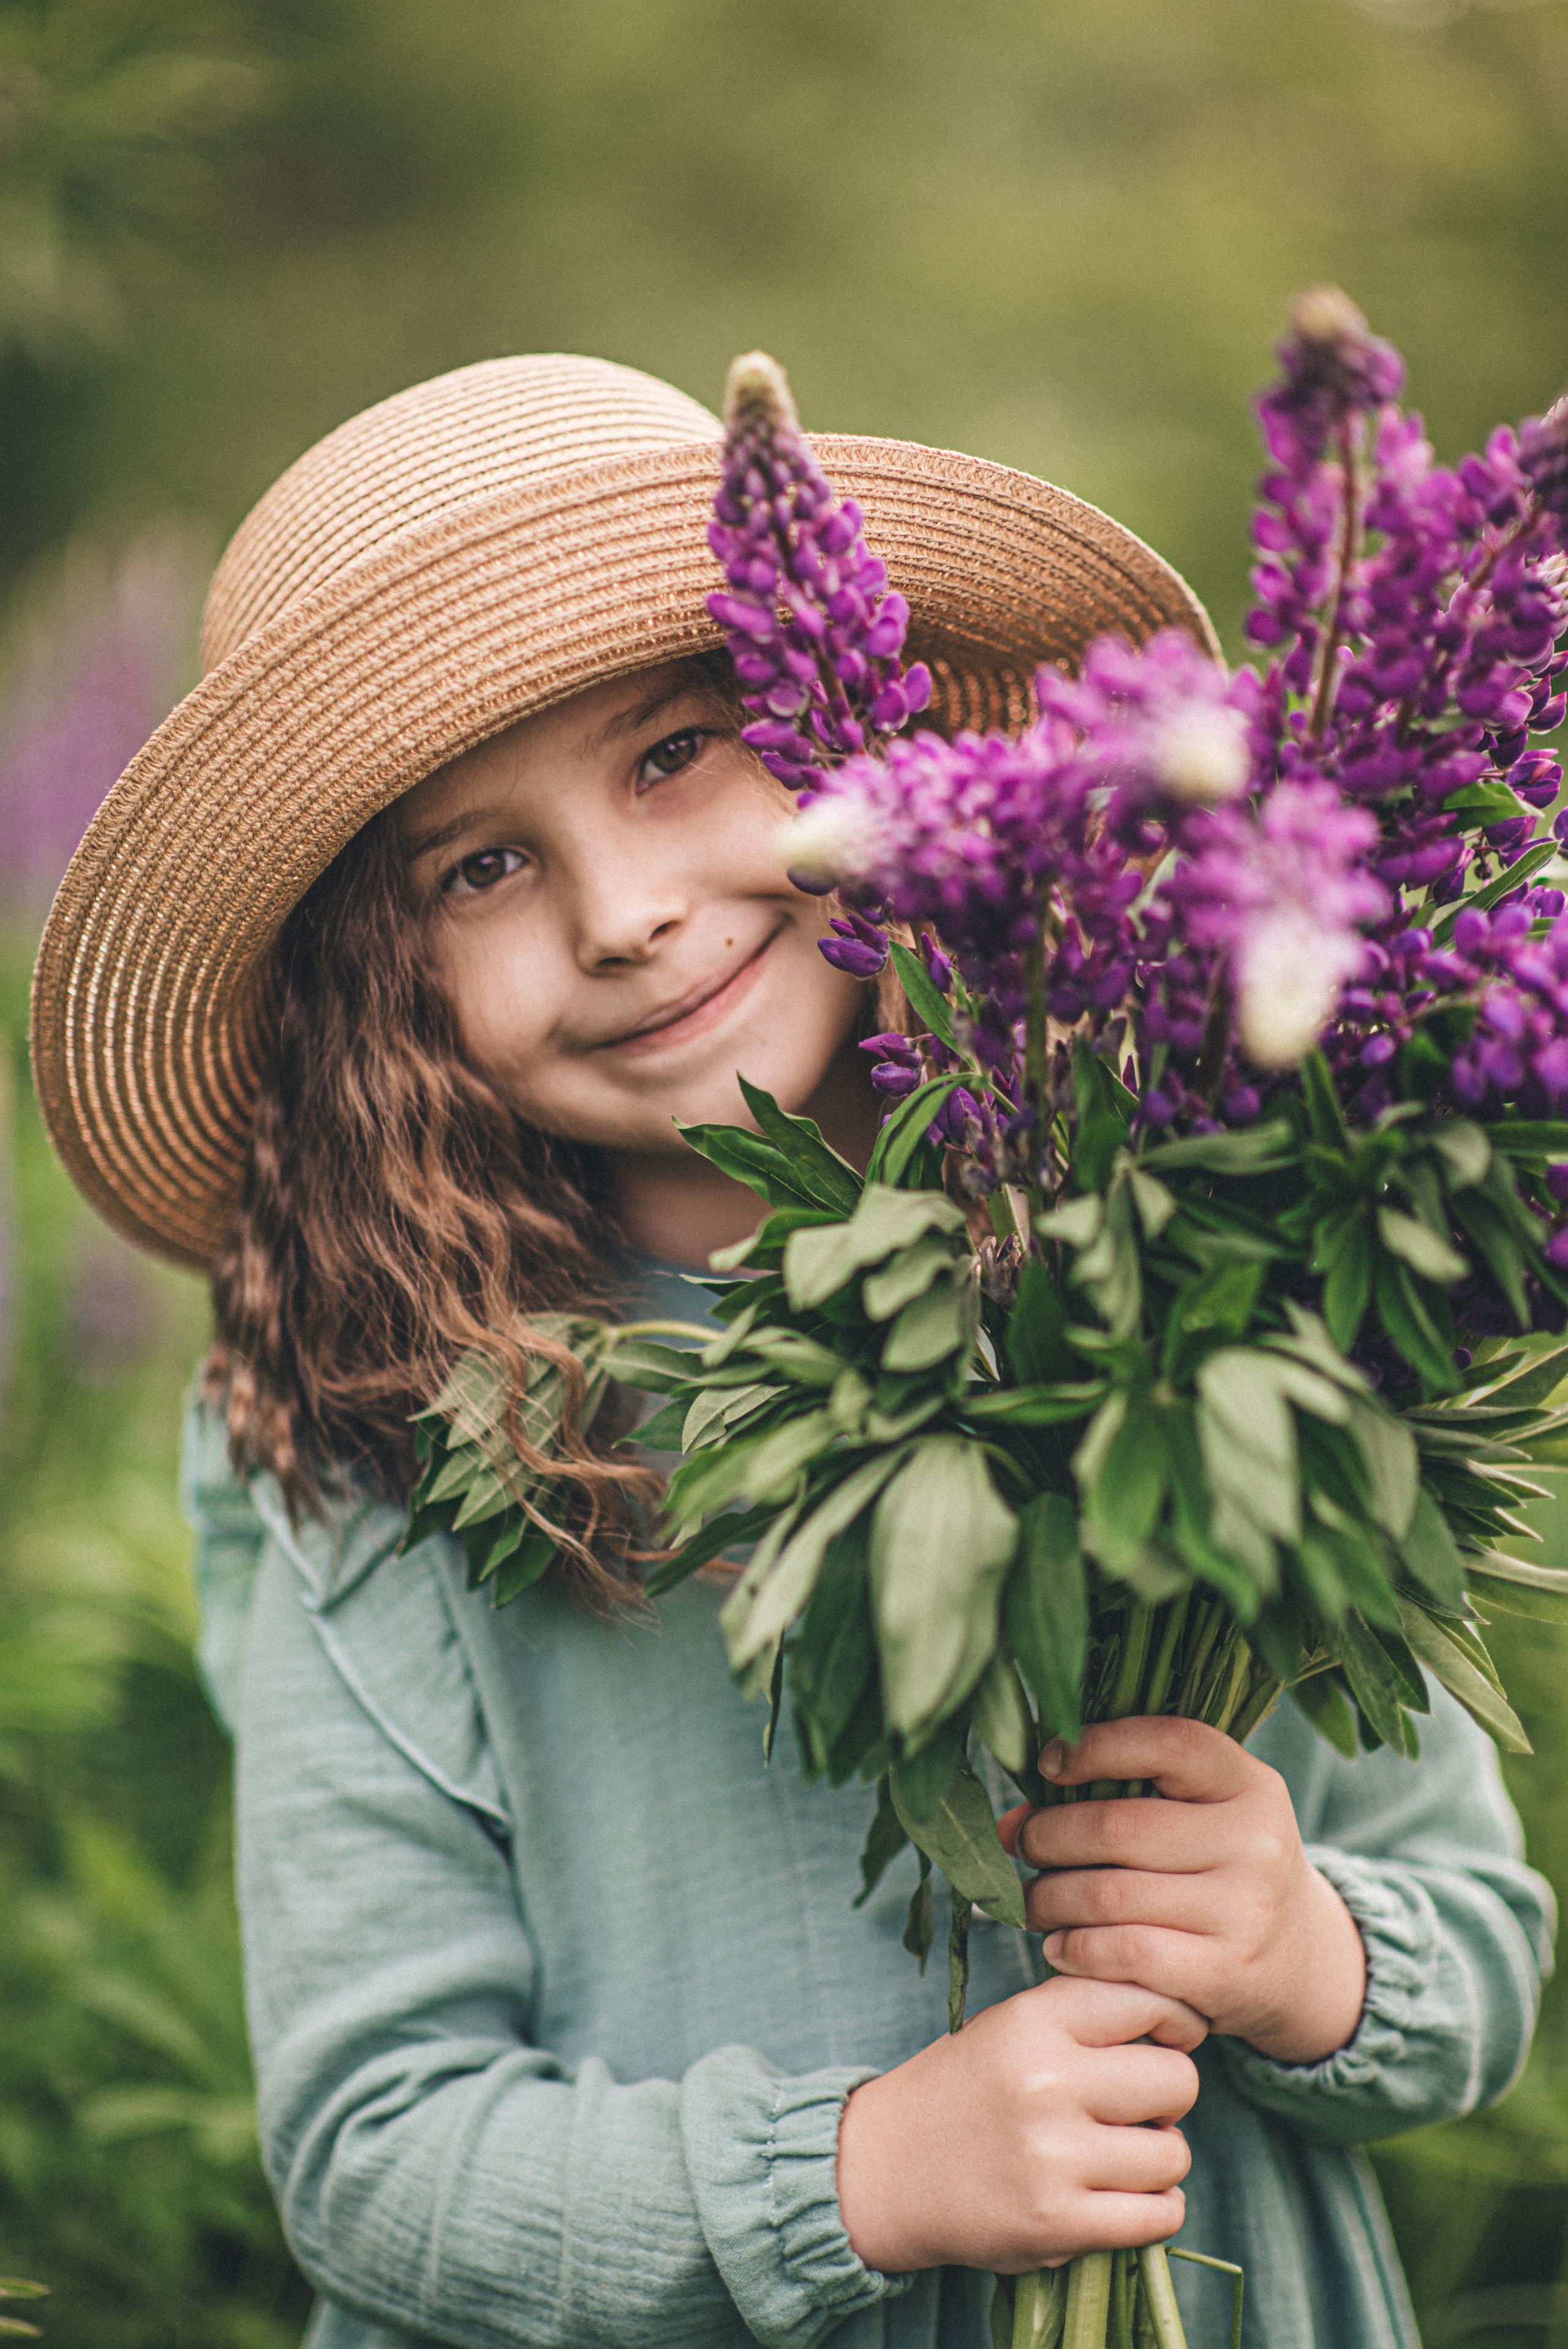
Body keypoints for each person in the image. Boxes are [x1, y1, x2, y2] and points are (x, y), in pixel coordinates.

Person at [32, 354, 1553, 2349]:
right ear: (370, 992)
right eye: (480, 867)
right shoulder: (372, 1431)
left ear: (867, 727)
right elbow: (373, 2157)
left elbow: (1480, 1951)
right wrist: (858, 2176)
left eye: (677, 752)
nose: (630, 914)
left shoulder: (1206, 1235)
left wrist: (1307, 1952)